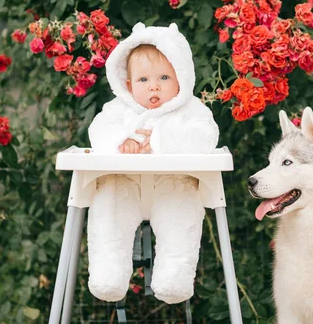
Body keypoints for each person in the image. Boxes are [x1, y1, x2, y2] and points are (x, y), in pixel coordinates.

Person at [87, 22, 219, 304]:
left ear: (181, 79)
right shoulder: (118, 110)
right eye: (143, 80)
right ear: (128, 85)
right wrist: (122, 141)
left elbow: (205, 138)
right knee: (107, 210)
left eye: (164, 78)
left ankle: (174, 278)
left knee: (182, 216)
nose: (154, 86)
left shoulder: (192, 110)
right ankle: (107, 274)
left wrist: (160, 140)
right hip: (124, 183)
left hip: (173, 184)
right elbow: (98, 132)